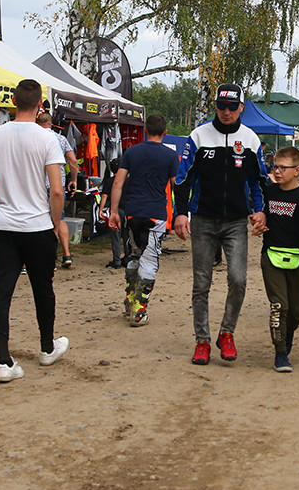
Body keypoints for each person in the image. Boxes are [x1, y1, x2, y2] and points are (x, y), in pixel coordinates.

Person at [0, 79, 69, 383]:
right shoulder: (47, 138)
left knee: (1, 292)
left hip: (3, 225)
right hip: (37, 224)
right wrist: (55, 222)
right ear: (40, 104)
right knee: (43, 288)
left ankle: (4, 361)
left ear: (14, 101)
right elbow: (56, 190)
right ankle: (46, 347)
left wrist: (1, 187)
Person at [173, 84, 266, 365]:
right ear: (215, 106)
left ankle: (227, 333)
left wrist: (260, 210)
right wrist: (180, 213)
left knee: (238, 280)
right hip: (202, 219)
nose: (226, 112)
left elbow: (258, 180)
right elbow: (182, 179)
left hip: (237, 222)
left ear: (241, 107)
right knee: (202, 283)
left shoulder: (250, 139)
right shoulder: (198, 136)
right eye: (221, 106)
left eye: (232, 107)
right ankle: (202, 341)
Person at [108, 114, 179, 326]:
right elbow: (177, 185)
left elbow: (117, 183)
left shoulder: (131, 152)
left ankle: (130, 300)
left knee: (134, 254)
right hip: (155, 213)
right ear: (165, 132)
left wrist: (113, 211)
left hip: (132, 212)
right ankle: (139, 309)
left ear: (145, 130)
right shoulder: (170, 156)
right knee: (150, 259)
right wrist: (181, 213)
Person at [256, 147, 299, 372]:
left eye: (284, 167)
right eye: (276, 167)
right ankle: (280, 352)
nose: (278, 171)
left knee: (295, 312)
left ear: (297, 170)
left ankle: (287, 333)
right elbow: (258, 212)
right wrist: (257, 221)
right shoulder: (268, 192)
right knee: (278, 306)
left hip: (297, 258)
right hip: (270, 255)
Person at [36, 112, 79, 268]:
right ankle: (66, 254)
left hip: (38, 185)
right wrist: (73, 179)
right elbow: (73, 161)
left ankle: (49, 256)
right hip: (57, 184)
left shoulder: (34, 138)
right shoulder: (60, 139)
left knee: (40, 220)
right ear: (51, 123)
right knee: (59, 220)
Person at [99, 158, 125, 268]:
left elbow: (104, 196)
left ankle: (117, 260)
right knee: (127, 234)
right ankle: (128, 258)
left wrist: (101, 209)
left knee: (116, 236)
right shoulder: (128, 180)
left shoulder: (110, 181)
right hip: (128, 210)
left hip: (116, 210)